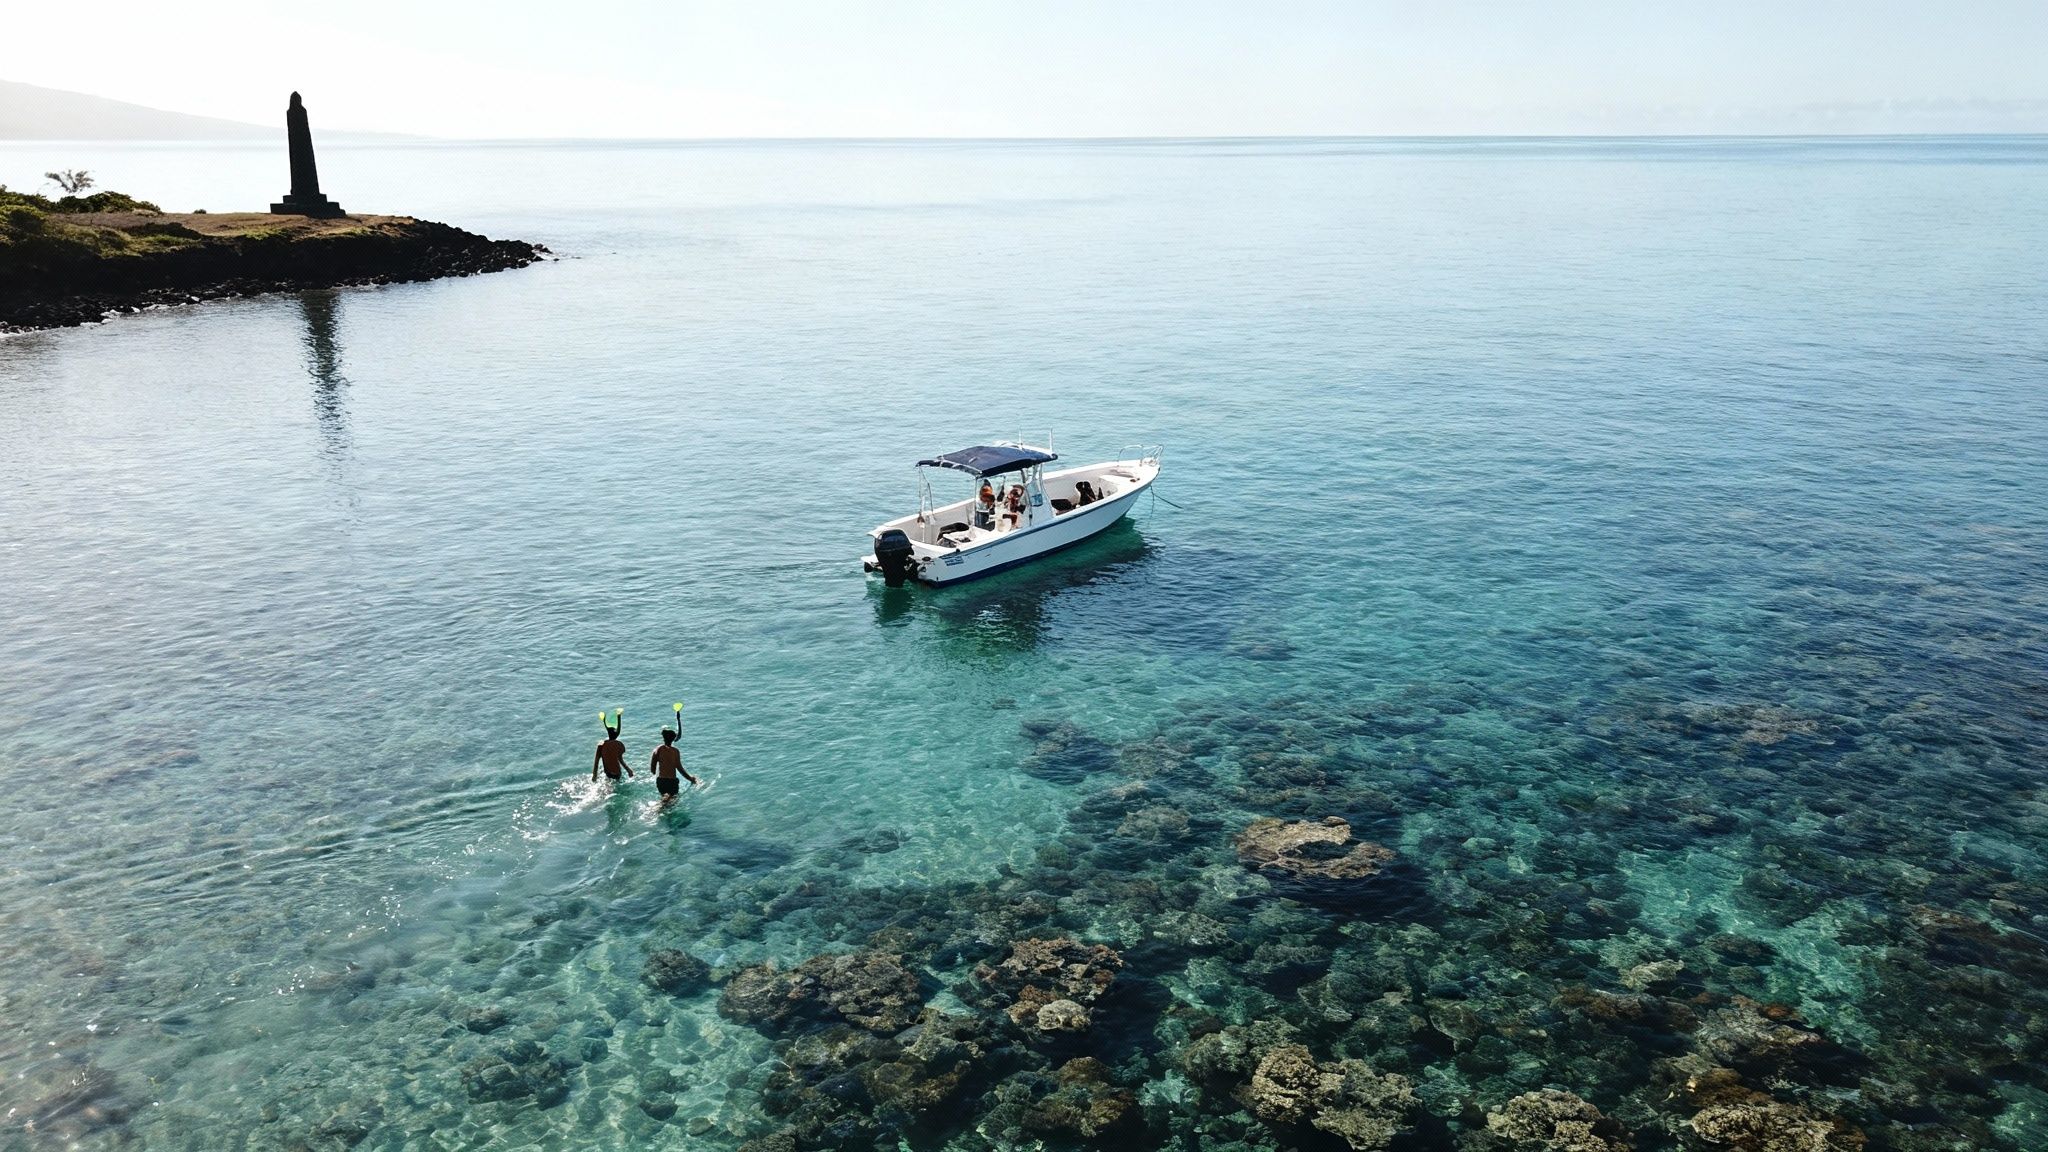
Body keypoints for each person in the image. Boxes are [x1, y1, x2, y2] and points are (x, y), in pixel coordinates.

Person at [649, 727, 698, 800]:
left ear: (663, 738)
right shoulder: (675, 751)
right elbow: (680, 768)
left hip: (661, 781)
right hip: (672, 782)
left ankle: (656, 809)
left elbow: (652, 770)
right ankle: (657, 809)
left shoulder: (658, 749)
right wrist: (691, 779)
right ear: (673, 739)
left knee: (665, 798)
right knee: (672, 801)